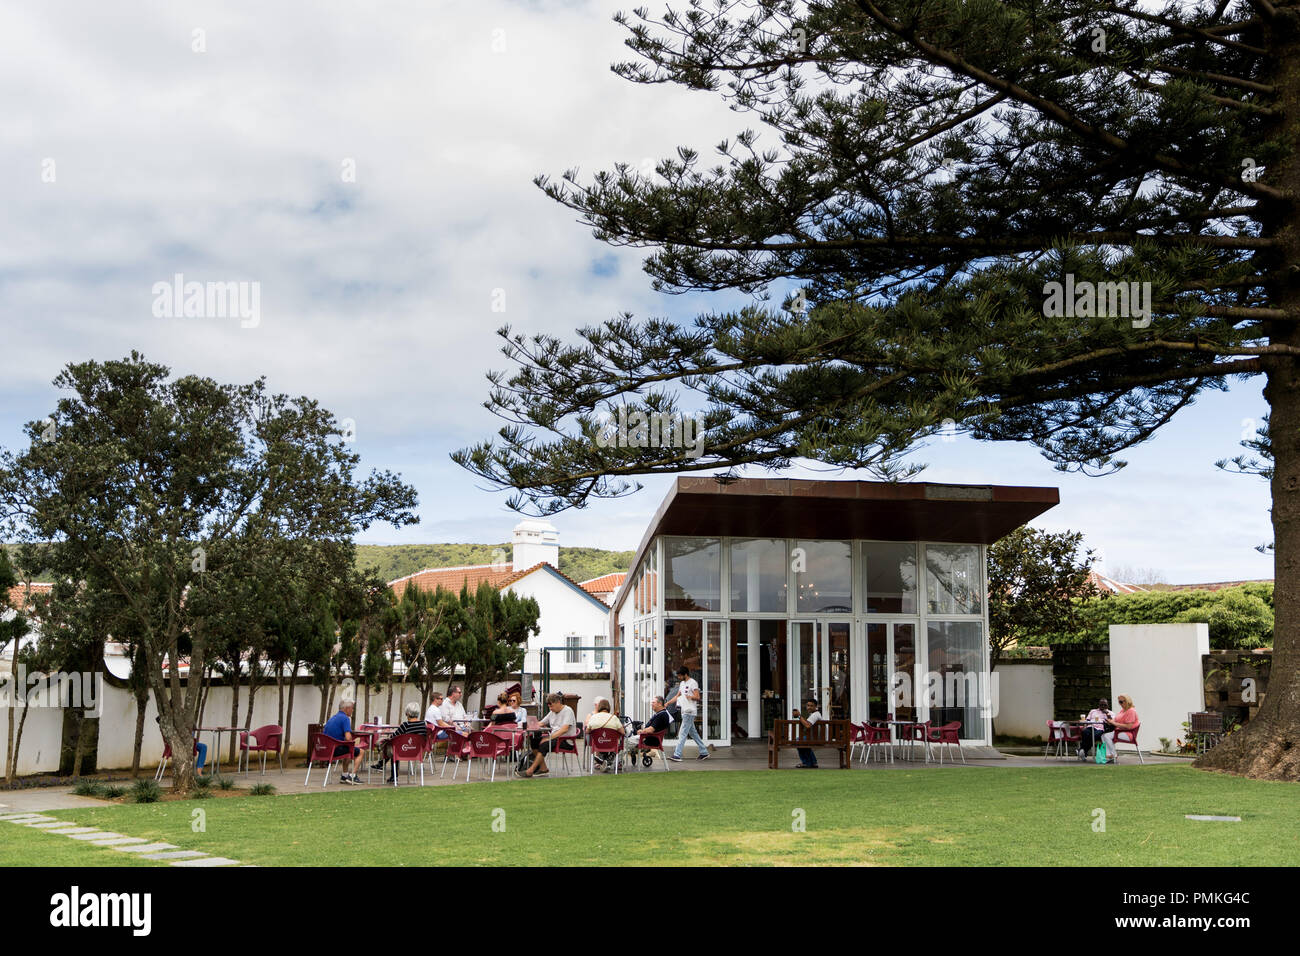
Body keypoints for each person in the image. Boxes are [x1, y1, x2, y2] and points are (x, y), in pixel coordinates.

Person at [519, 692, 575, 778]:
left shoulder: (568, 711)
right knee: (534, 740)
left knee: (544, 744)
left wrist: (548, 738)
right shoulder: (552, 712)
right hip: (555, 738)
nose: (550, 708)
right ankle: (543, 768)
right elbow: (541, 723)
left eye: (551, 706)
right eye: (549, 706)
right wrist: (529, 725)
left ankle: (530, 770)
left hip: (566, 740)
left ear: (558, 703)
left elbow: (565, 729)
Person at [377, 702, 430, 782]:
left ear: (407, 713)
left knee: (391, 748)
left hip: (404, 750)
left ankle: (389, 771)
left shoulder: (405, 725)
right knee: (393, 749)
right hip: (417, 751)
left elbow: (393, 737)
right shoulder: (423, 724)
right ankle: (381, 764)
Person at [666, 665, 709, 761]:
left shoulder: (693, 683)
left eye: (680, 676)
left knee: (682, 733)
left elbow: (698, 697)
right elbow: (678, 696)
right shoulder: (681, 683)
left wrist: (689, 697)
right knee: (693, 733)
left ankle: (677, 754)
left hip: (690, 711)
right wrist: (668, 703)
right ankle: (704, 752)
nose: (679, 677)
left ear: (685, 674)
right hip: (684, 710)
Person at [322, 699, 365, 784]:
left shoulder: (332, 718)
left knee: (348, 749)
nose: (352, 710)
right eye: (352, 708)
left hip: (326, 749)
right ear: (347, 708)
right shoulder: (345, 718)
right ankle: (353, 776)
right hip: (335, 750)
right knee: (361, 752)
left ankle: (344, 776)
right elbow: (348, 738)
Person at [627, 696, 673, 765]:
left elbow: (651, 730)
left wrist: (642, 731)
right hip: (649, 737)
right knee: (628, 740)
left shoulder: (662, 715)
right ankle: (633, 751)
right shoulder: (661, 714)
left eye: (653, 702)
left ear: (660, 704)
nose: (652, 704)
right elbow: (652, 728)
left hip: (650, 739)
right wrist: (643, 730)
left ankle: (617, 762)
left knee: (625, 742)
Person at [584, 698, 622, 771]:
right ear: (609, 707)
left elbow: (587, 731)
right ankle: (609, 761)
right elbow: (623, 732)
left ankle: (605, 761)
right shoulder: (614, 718)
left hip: (598, 743)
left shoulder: (593, 717)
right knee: (621, 743)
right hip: (611, 744)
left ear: (599, 707)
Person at [1104, 694, 1140, 764]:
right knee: (1103, 736)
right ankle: (1110, 755)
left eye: (1121, 702)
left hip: (1129, 734)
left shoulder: (1131, 711)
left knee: (1106, 736)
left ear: (1127, 701)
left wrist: (1113, 723)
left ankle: (1113, 755)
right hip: (1120, 731)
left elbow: (1128, 726)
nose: (1120, 704)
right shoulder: (1123, 710)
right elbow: (1116, 720)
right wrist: (1110, 722)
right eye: (1119, 702)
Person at [794, 698, 822, 768]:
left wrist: (799, 716)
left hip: (816, 738)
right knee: (802, 740)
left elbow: (807, 725)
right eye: (808, 705)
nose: (809, 707)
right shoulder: (815, 714)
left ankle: (805, 762)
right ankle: (813, 762)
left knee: (798, 741)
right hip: (816, 737)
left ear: (816, 707)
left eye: (811, 706)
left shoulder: (815, 715)